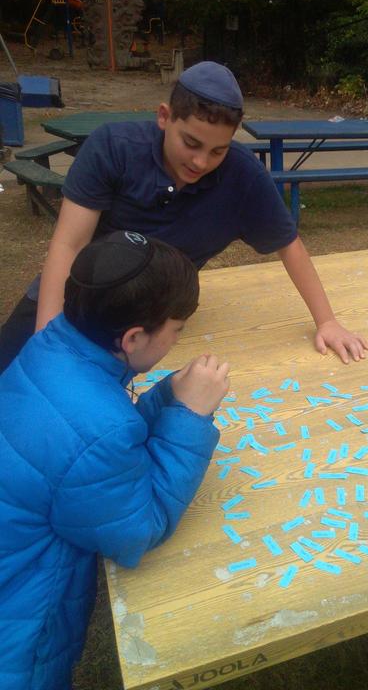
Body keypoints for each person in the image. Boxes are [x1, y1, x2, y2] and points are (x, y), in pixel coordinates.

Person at [0, 61, 368, 374]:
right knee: (15, 373)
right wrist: (46, 337)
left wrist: (327, 321)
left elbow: (290, 246)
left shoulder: (243, 177)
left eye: (217, 151)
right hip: (78, 293)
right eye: (191, 143)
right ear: (164, 117)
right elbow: (69, 243)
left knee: (98, 413)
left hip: (152, 318)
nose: (200, 162)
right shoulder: (112, 147)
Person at [0, 231, 230, 689]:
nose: (178, 338)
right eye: (177, 329)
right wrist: (188, 416)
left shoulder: (54, 344)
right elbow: (138, 528)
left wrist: (166, 394)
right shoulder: (101, 431)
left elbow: (90, 453)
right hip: (17, 631)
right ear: (132, 337)